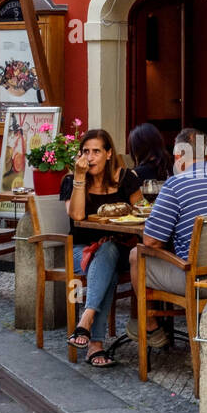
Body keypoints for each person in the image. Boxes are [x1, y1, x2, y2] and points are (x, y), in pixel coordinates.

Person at [126, 127, 207, 348]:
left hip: (196, 280)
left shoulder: (176, 184)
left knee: (135, 254)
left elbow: (151, 242)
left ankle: (149, 324)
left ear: (178, 156)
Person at [63, 128, 144, 367]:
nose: (90, 157)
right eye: (86, 151)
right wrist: (79, 178)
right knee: (104, 258)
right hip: (80, 250)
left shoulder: (127, 178)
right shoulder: (71, 181)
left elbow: (141, 213)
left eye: (96, 151)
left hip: (121, 249)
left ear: (109, 154)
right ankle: (94, 344)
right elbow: (77, 215)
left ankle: (86, 322)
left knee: (108, 252)